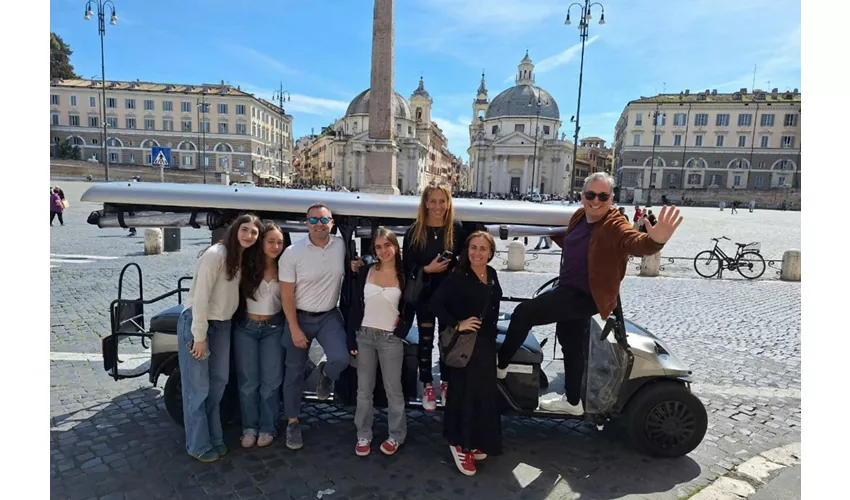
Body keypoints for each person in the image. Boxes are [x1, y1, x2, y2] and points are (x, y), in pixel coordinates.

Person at [498, 172, 683, 414]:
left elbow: (635, 242)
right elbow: (578, 242)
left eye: (603, 196)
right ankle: (573, 402)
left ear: (611, 198)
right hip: (568, 288)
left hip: (586, 296)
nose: (596, 201)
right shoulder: (579, 216)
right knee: (571, 344)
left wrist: (655, 241)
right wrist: (541, 232)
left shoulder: (615, 224)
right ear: (582, 196)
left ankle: (500, 365)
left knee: (524, 314)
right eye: (591, 195)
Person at [177, 213, 263, 462]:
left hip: (222, 326)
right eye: (245, 230)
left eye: (254, 232)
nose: (249, 235)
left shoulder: (239, 258)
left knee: (218, 385)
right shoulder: (216, 255)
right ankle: (197, 445)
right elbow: (201, 297)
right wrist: (199, 336)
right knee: (198, 389)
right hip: (200, 324)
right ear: (236, 230)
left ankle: (214, 437)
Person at [429, 231, 503, 476]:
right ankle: (459, 443)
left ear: (490, 253)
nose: (477, 253)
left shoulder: (491, 274)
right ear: (467, 250)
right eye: (473, 247)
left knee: (482, 394)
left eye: (483, 249)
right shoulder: (458, 276)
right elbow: (435, 304)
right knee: (464, 395)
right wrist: (457, 323)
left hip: (485, 344)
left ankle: (476, 437)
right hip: (465, 346)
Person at [280, 203, 349, 450]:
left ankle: (326, 375)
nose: (319, 224)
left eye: (324, 220)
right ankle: (292, 422)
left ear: (332, 222)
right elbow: (286, 295)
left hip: (329, 315)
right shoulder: (292, 252)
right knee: (293, 373)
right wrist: (294, 328)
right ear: (305, 223)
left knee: (341, 358)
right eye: (313, 220)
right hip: (298, 317)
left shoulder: (342, 246)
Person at [401, 183, 465, 411]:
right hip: (425, 296)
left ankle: (446, 382)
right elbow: (406, 266)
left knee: (448, 341)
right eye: (433, 201)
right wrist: (427, 269)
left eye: (442, 201)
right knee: (425, 342)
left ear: (448, 203)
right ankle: (427, 383)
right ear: (425, 204)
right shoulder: (414, 231)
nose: (438, 206)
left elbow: (464, 263)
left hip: (449, 298)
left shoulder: (456, 228)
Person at [347, 227, 407, 457]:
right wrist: (350, 336)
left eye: (387, 245)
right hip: (364, 335)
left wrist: (400, 330)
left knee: (394, 391)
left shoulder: (404, 274)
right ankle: (363, 433)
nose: (384, 251)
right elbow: (355, 304)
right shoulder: (366, 270)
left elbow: (410, 305)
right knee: (364, 390)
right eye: (379, 247)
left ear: (396, 247)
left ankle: (396, 435)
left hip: (390, 339)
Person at [234, 222, 290, 449]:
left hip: (273, 328)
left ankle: (267, 426)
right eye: (271, 241)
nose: (276, 246)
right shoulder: (246, 264)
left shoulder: (286, 267)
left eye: (279, 242)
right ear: (261, 242)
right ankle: (249, 427)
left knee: (271, 381)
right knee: (248, 382)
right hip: (246, 327)